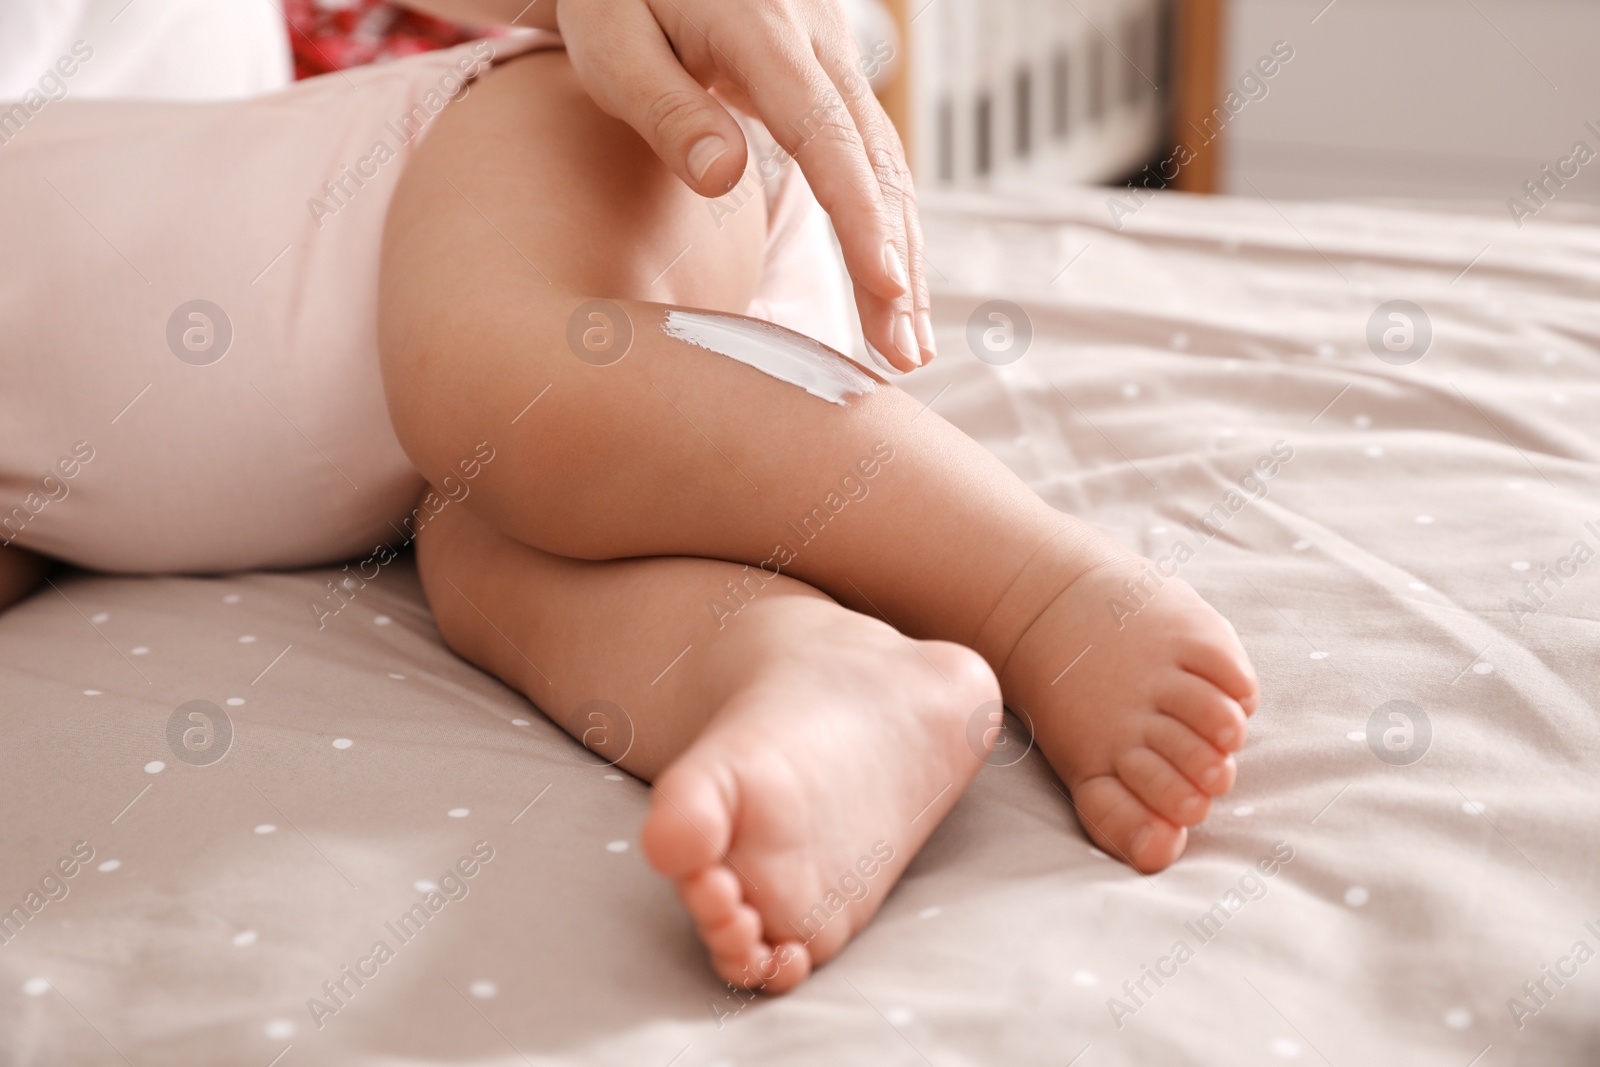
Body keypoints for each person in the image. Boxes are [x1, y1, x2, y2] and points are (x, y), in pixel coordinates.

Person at [0, 4, 1259, 995]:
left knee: (493, 376)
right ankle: (820, 677)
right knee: (490, 561)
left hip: (496, 152)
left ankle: (1036, 587)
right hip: (459, 466)